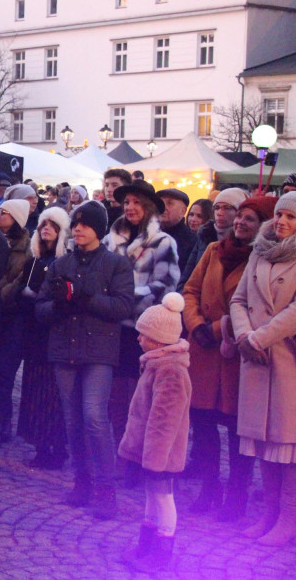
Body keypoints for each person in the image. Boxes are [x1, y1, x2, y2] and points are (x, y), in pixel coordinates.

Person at [230, 191, 296, 547]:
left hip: (291, 359)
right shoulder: (260, 251)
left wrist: (259, 338)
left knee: (292, 440)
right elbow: (239, 299)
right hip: (255, 358)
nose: (283, 222)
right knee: (264, 439)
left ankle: (290, 519)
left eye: (291, 216)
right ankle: (269, 514)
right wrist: (245, 336)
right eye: (280, 215)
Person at [36, 201, 135, 520]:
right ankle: (82, 481)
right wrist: (59, 307)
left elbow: (123, 307)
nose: (78, 229)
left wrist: (87, 299)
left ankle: (106, 488)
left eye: (86, 224)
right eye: (75, 224)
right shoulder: (60, 264)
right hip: (65, 347)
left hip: (99, 351)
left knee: (94, 415)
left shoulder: (116, 264)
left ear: (99, 229)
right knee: (72, 419)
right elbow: (40, 307)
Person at [183, 195, 275, 521]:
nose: (239, 222)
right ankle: (209, 489)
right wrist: (196, 325)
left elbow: (261, 307)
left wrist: (222, 329)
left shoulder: (265, 260)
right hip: (205, 351)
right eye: (239, 217)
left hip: (238, 354)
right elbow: (190, 291)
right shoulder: (213, 251)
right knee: (204, 427)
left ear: (264, 225)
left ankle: (236, 497)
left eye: (248, 218)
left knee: (238, 433)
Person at [105, 179, 181, 483]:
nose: (130, 208)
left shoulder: (163, 243)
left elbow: (165, 286)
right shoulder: (112, 240)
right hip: (112, 328)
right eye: (126, 203)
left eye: (137, 202)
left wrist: (125, 295)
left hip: (141, 332)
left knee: (141, 400)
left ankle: (138, 461)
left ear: (148, 207)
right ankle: (119, 455)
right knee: (116, 400)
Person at [118, 292, 191, 572]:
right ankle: (146, 545)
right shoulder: (157, 364)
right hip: (152, 452)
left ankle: (162, 550)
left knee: (163, 497)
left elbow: (165, 420)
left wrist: (155, 458)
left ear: (158, 338)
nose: (138, 338)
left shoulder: (169, 370)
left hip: (160, 453)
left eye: (143, 334)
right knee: (152, 496)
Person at [16, 206, 71, 468]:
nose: (46, 227)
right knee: (35, 391)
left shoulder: (66, 263)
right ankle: (40, 446)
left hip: (55, 337)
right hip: (34, 337)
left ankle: (57, 448)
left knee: (53, 395)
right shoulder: (33, 262)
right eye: (43, 223)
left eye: (52, 224)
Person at [0, 199, 33, 446]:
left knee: (5, 373)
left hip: (14, 317)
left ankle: (2, 422)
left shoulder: (28, 248)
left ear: (16, 218)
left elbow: (21, 280)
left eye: (4, 213)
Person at [181, 188, 249, 286]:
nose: (220, 213)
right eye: (217, 208)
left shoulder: (244, 241)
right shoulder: (205, 236)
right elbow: (188, 276)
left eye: (227, 208)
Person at [158, 188, 197, 271]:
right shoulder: (149, 235)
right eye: (160, 203)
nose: (163, 207)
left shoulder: (191, 241)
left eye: (170, 203)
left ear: (183, 211)